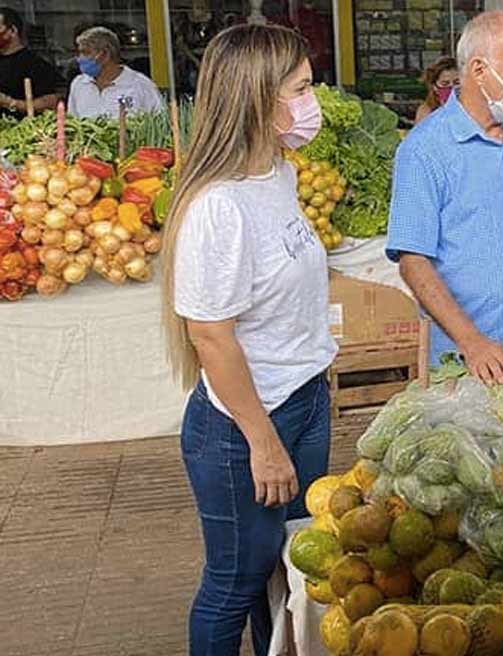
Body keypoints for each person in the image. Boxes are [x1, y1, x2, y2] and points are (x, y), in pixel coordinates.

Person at [160, 24, 336, 655]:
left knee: (282, 569)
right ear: (260, 97)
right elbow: (210, 336)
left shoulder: (278, 175)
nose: (312, 100)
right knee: (234, 581)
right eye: (302, 87)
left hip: (305, 400)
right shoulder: (219, 206)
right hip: (244, 426)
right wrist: (262, 441)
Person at [386, 11, 503, 385]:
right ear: (479, 70)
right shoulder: (425, 150)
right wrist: (472, 342)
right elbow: (413, 261)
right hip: (472, 369)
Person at [67, 27, 164, 119]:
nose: (80, 58)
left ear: (105, 54)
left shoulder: (140, 85)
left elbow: (161, 122)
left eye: (86, 53)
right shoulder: (78, 84)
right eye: (80, 53)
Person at [0, 8, 62, 118]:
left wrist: (11, 103)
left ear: (13, 30)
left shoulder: (36, 64)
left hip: (19, 129)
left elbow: (51, 101)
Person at [414, 56, 459, 124]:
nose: (452, 87)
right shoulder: (426, 112)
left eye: (457, 83)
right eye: (445, 84)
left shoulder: (473, 109)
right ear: (434, 86)